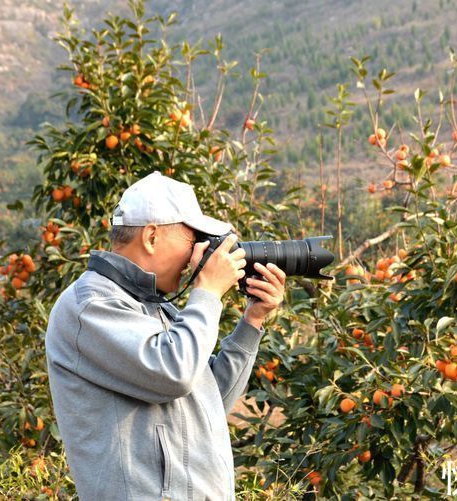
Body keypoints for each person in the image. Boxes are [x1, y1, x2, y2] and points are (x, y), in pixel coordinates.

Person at [45, 171, 286, 500]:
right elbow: (174, 374)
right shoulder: (90, 306)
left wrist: (252, 320)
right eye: (192, 239)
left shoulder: (157, 307)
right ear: (152, 237)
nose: (195, 255)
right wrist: (207, 293)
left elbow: (210, 402)